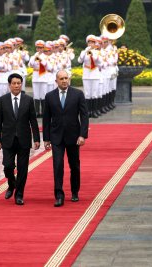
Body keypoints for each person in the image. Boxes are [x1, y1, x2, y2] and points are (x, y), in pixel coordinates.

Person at [43, 70, 89, 207]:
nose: (64, 81)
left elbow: (84, 116)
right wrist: (46, 138)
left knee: (74, 166)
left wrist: (82, 135)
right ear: (56, 81)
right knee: (57, 165)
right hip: (56, 137)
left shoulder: (78, 94)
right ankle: (59, 195)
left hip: (73, 137)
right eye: (61, 78)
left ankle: (75, 192)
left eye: (66, 78)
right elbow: (46, 119)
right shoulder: (49, 96)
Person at [0, 73, 40, 205]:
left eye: (18, 83)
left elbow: (33, 120)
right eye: (14, 83)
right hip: (8, 140)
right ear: (9, 85)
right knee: (8, 166)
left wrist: (36, 139)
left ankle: (19, 195)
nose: (16, 85)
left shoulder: (28, 100)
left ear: (21, 84)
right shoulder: (2, 100)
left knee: (22, 168)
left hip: (24, 140)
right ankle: (11, 183)